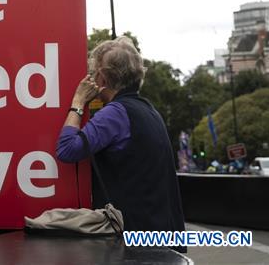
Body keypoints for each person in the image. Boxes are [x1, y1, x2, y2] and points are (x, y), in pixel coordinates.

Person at [56, 36, 185, 239]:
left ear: (102, 77)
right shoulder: (149, 110)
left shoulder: (115, 113)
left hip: (133, 236)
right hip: (161, 231)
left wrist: (78, 102)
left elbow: (67, 149)